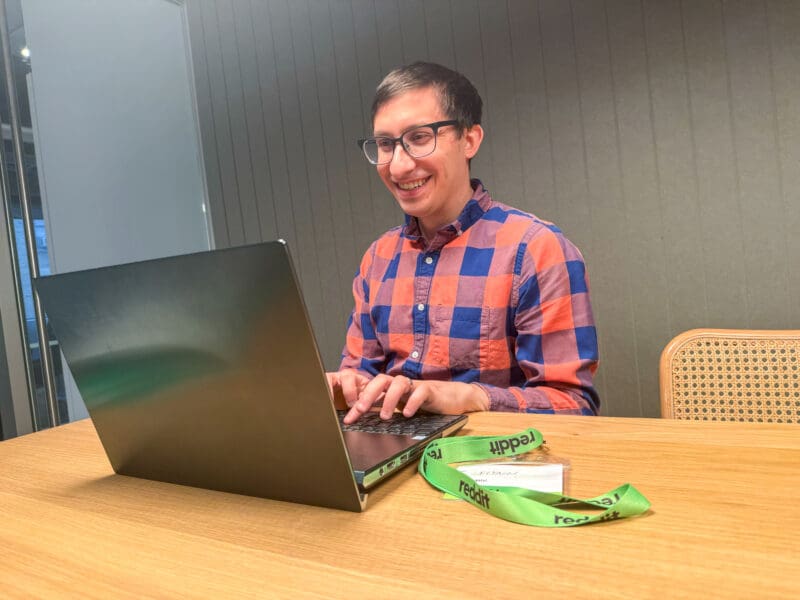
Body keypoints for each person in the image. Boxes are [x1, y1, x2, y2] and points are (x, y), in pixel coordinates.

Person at [327, 62, 599, 424]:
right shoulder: (378, 257)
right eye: (386, 144)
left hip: (494, 463)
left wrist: (472, 397)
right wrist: (340, 388)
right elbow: (359, 377)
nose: (398, 166)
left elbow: (574, 405)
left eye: (419, 138)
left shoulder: (536, 249)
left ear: (469, 140)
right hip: (389, 455)